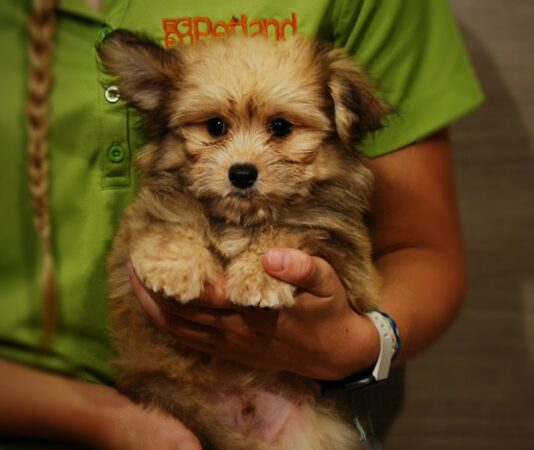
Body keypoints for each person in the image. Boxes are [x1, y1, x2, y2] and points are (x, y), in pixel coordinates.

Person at [0, 0, 483, 448]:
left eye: (280, 129)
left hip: (295, 411)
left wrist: (354, 343)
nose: (242, 161)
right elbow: (152, 236)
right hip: (144, 399)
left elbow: (417, 249)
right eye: (215, 128)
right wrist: (106, 418)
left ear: (342, 122)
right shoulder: (169, 204)